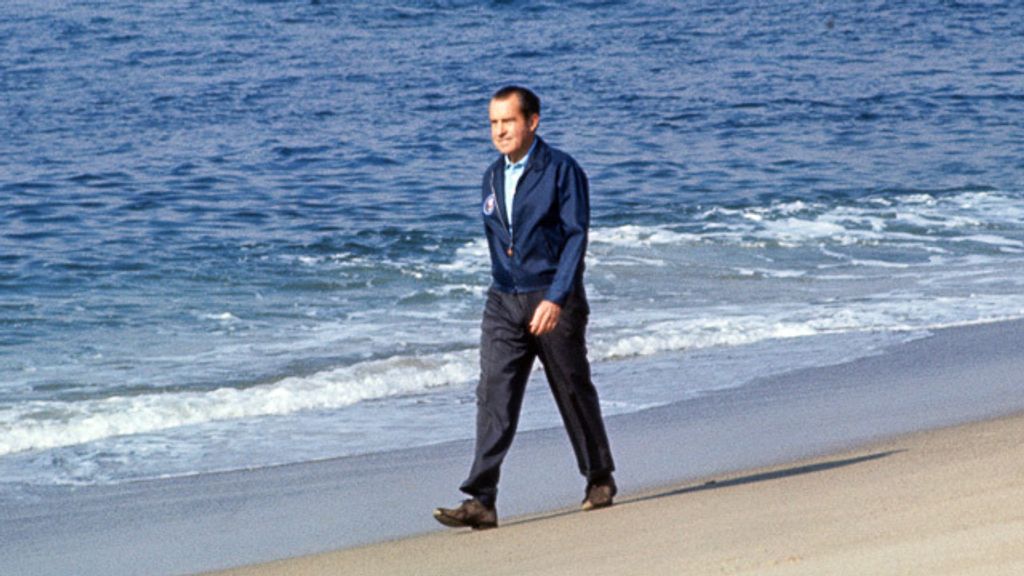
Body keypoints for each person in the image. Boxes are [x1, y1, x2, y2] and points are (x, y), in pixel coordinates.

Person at [433, 86, 616, 530]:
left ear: (532, 122)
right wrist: (505, 289)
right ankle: (481, 498)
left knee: (571, 388)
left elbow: (576, 235)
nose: (500, 131)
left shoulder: (561, 170)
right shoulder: (492, 175)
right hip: (503, 300)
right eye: (494, 123)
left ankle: (599, 477)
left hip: (552, 295)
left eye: (508, 121)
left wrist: (556, 297)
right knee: (493, 394)